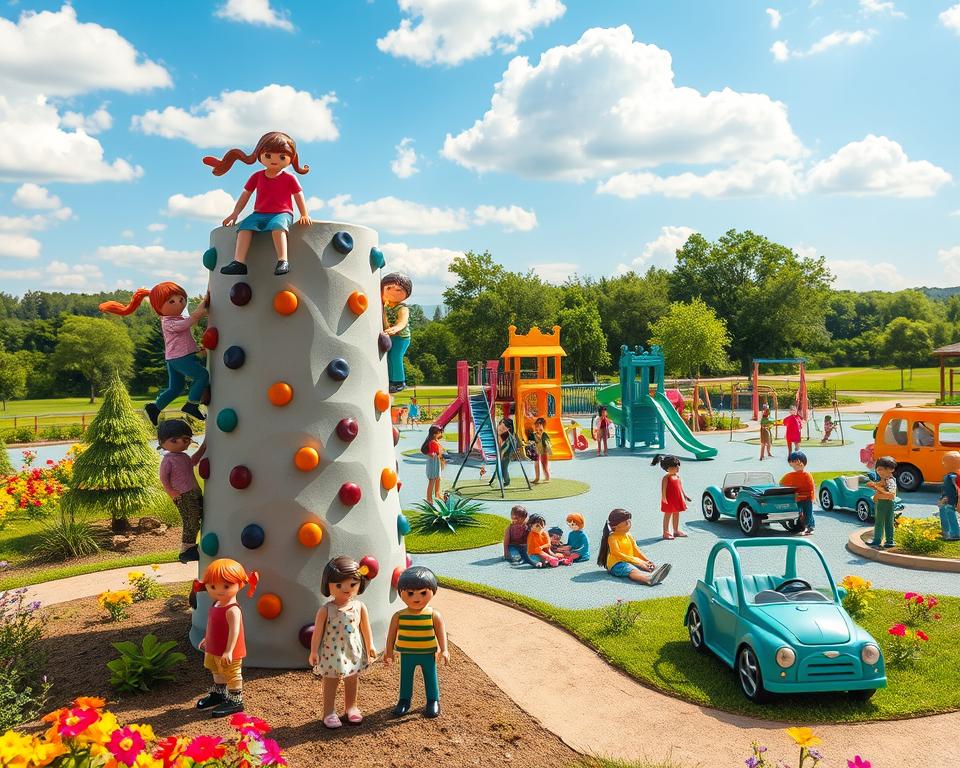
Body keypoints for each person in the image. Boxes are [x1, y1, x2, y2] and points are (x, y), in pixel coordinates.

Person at [204, 131, 311, 276]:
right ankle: (239, 262)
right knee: (244, 228)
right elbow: (245, 195)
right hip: (259, 213)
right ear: (259, 155)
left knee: (278, 228)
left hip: (282, 213)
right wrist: (235, 214)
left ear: (291, 158)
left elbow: (298, 195)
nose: (274, 160)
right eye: (268, 155)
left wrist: (304, 214)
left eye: (281, 157)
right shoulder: (257, 176)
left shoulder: (289, 178)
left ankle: (283, 260)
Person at [100, 284, 208, 426]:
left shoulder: (176, 318)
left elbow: (186, 328)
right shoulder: (168, 322)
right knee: (202, 375)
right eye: (172, 302)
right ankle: (192, 404)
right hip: (180, 358)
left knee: (176, 388)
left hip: (174, 359)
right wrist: (202, 307)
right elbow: (188, 322)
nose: (179, 304)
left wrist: (202, 305)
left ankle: (154, 408)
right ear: (158, 307)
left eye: (182, 299)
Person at [308, 556, 377, 729]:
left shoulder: (360, 607)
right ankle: (328, 712)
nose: (346, 589)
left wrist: (370, 646)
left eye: (352, 584)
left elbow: (365, 628)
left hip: (352, 651)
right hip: (332, 652)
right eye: (339, 585)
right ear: (328, 585)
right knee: (331, 680)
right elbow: (317, 632)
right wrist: (314, 651)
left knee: (352, 679)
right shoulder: (326, 610)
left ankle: (351, 707)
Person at [195, 559, 259, 717]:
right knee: (216, 669)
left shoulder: (232, 610)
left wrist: (229, 650)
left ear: (240, 584)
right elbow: (212, 625)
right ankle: (219, 693)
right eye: (213, 586)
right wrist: (206, 639)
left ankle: (236, 700)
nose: (219, 591)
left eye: (226, 586)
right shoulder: (216, 604)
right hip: (214, 647)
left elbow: (234, 631)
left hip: (230, 650)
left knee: (232, 672)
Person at [384, 566, 449, 719]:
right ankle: (404, 700)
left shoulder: (434, 615)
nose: (416, 598)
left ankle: (433, 700)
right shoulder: (398, 616)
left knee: (430, 676)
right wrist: (388, 652)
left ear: (433, 591)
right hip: (407, 654)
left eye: (423, 593)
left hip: (428, 653)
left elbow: (441, 633)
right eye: (410, 593)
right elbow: (391, 636)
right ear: (401, 593)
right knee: (405, 677)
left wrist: (444, 649)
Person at [158, 419, 203, 563]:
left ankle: (195, 545)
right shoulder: (168, 460)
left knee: (200, 516)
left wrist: (204, 447)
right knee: (191, 520)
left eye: (186, 440)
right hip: (182, 495)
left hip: (194, 491)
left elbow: (194, 460)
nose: (181, 443)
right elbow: (163, 478)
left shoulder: (184, 457)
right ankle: (186, 549)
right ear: (162, 442)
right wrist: (171, 492)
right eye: (175, 440)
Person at [596, 509, 671, 585]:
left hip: (629, 560)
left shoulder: (628, 535)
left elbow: (636, 550)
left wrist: (646, 560)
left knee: (643, 565)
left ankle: (654, 570)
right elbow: (617, 553)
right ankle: (648, 579)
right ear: (615, 526)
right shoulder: (612, 538)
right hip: (616, 564)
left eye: (629, 521)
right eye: (626, 522)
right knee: (631, 569)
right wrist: (636, 560)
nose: (629, 523)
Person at [382, 272, 414, 393]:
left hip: (401, 337)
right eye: (388, 288)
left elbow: (403, 321)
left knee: (396, 356)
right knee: (389, 357)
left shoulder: (402, 308)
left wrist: (395, 328)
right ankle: (391, 379)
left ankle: (400, 382)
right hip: (391, 336)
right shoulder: (386, 307)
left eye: (398, 290)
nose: (392, 292)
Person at [652, 453, 691, 540]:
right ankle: (665, 532)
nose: (678, 468)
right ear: (668, 468)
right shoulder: (666, 478)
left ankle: (676, 530)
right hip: (669, 499)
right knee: (668, 514)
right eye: (675, 467)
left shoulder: (677, 477)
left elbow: (680, 488)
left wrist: (684, 496)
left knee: (676, 513)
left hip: (677, 498)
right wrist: (664, 498)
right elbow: (663, 489)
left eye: (678, 466)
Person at [780, 451, 816, 535]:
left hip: (806, 498)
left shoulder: (807, 475)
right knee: (799, 512)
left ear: (802, 463)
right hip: (797, 498)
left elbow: (810, 487)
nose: (795, 465)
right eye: (792, 463)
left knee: (808, 512)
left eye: (796, 463)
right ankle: (802, 526)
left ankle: (810, 527)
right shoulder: (790, 475)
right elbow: (782, 483)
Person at [866, 456, 898, 549]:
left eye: (881, 469)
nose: (879, 471)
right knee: (880, 522)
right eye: (878, 469)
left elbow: (892, 495)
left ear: (891, 470)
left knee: (887, 521)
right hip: (880, 504)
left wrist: (878, 494)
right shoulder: (883, 480)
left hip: (887, 504)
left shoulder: (890, 481)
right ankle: (880, 540)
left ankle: (887, 540)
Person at [488, 417, 518, 487]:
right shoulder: (501, 433)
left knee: (503, 468)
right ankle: (495, 480)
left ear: (508, 428)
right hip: (502, 454)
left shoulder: (509, 437)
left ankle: (506, 481)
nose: (499, 426)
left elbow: (507, 448)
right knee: (499, 468)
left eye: (502, 424)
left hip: (506, 455)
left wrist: (502, 454)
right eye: (500, 424)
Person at [938, 452, 960, 541]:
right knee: (943, 512)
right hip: (946, 499)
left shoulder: (953, 477)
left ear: (951, 464)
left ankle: (955, 533)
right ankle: (946, 531)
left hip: (951, 500)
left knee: (950, 515)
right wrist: (942, 498)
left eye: (945, 461)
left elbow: (957, 489)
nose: (943, 463)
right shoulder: (949, 476)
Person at [421, 425, 445, 505]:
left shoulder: (435, 441)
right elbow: (436, 453)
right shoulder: (433, 442)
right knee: (432, 480)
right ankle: (429, 499)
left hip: (436, 462)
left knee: (438, 479)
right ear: (435, 434)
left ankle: (437, 494)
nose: (440, 434)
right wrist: (440, 456)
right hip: (433, 463)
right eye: (439, 432)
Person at [530, 417, 552, 483]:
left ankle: (547, 478)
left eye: (539, 425)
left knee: (544, 465)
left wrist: (537, 434)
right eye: (536, 425)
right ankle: (537, 478)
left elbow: (542, 440)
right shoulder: (536, 432)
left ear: (543, 425)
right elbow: (535, 440)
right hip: (537, 449)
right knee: (536, 463)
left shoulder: (544, 433)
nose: (537, 427)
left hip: (543, 451)